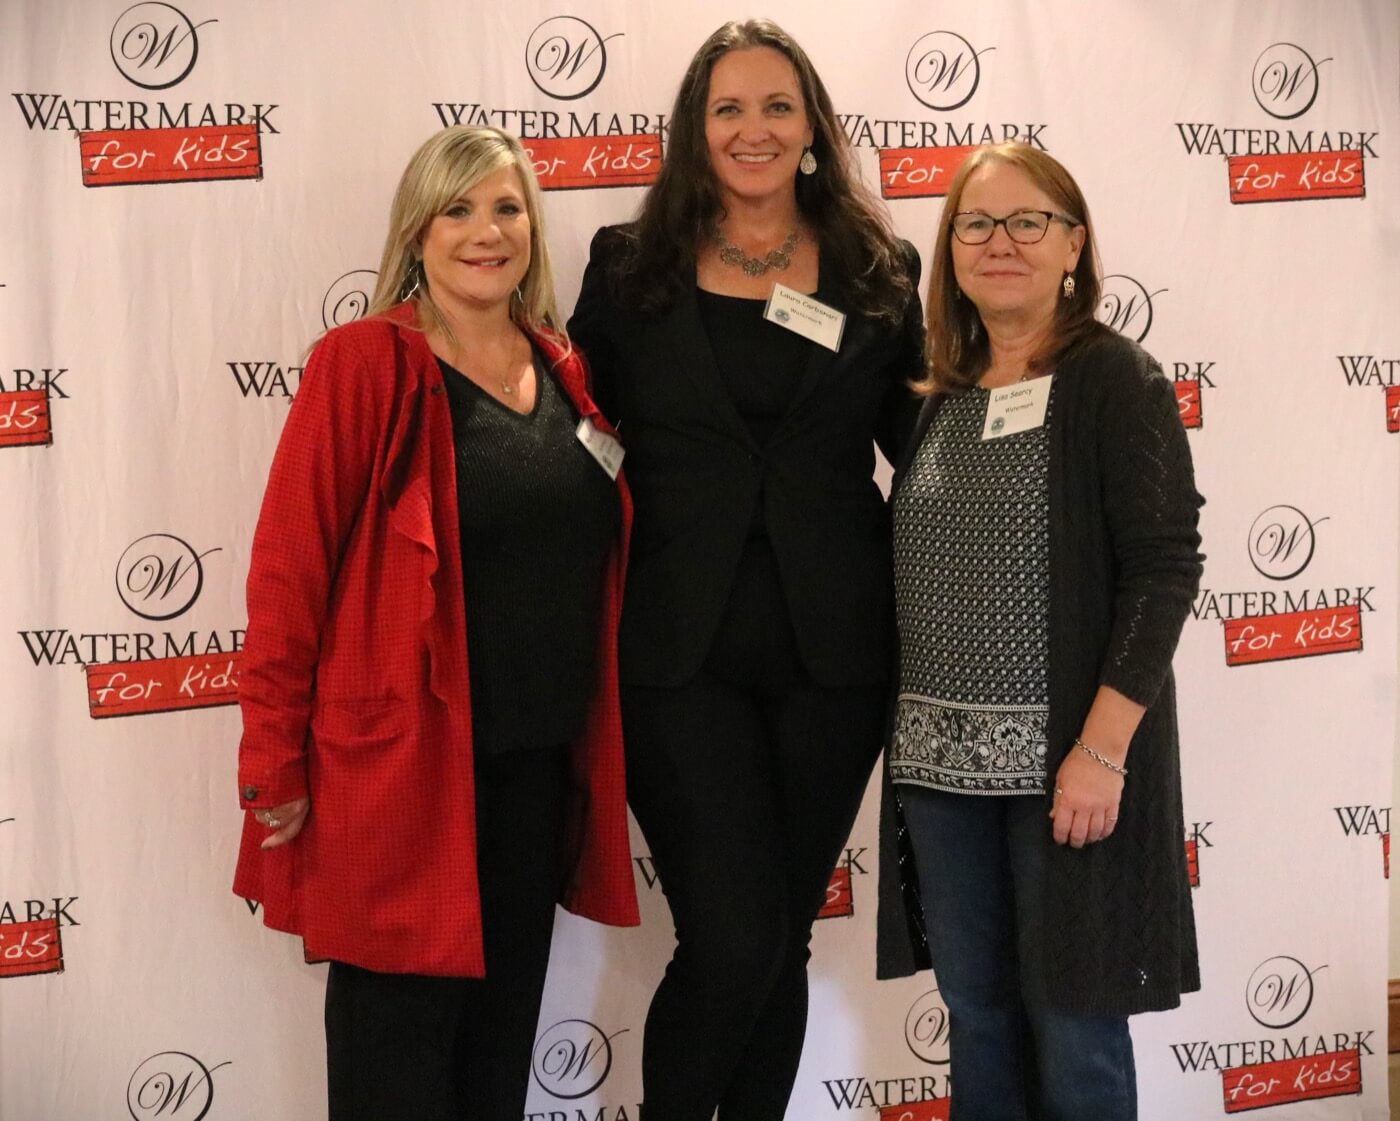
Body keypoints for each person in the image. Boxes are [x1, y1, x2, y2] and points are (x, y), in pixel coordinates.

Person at [232, 125, 637, 1121]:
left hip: (532, 773)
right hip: (402, 777)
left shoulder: (562, 364)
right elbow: (288, 574)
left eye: (505, 208)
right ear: (417, 231)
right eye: (457, 209)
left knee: (496, 1066)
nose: (484, 231)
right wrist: (272, 758)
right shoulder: (364, 362)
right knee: (396, 1069)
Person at [568, 18, 923, 1121]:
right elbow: (577, 435)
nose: (752, 128)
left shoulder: (880, 273)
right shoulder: (628, 269)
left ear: (812, 127)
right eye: (728, 108)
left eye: (777, 106)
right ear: (696, 128)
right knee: (732, 933)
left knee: (780, 933)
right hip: (676, 653)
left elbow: (926, 451)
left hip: (836, 658)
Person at [876, 141, 1204, 1121]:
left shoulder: (1114, 380)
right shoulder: (938, 390)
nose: (1000, 242)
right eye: (976, 224)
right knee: (977, 1015)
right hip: (938, 774)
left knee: (1073, 1027)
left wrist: (1101, 752)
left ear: (1073, 244)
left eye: (1028, 221)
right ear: (951, 250)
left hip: (1065, 770)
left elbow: (1163, 568)